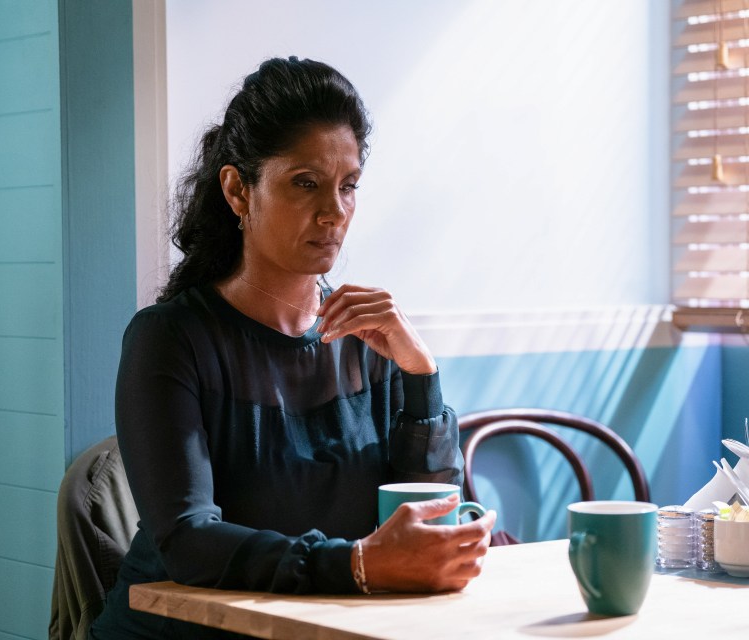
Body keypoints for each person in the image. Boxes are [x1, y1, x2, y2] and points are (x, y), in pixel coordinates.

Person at [91, 56, 495, 639]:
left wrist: (421, 374)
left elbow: (425, 516)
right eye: (305, 183)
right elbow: (186, 540)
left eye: (348, 186)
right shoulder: (169, 338)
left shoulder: (367, 339)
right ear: (237, 189)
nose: (334, 212)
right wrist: (355, 566)